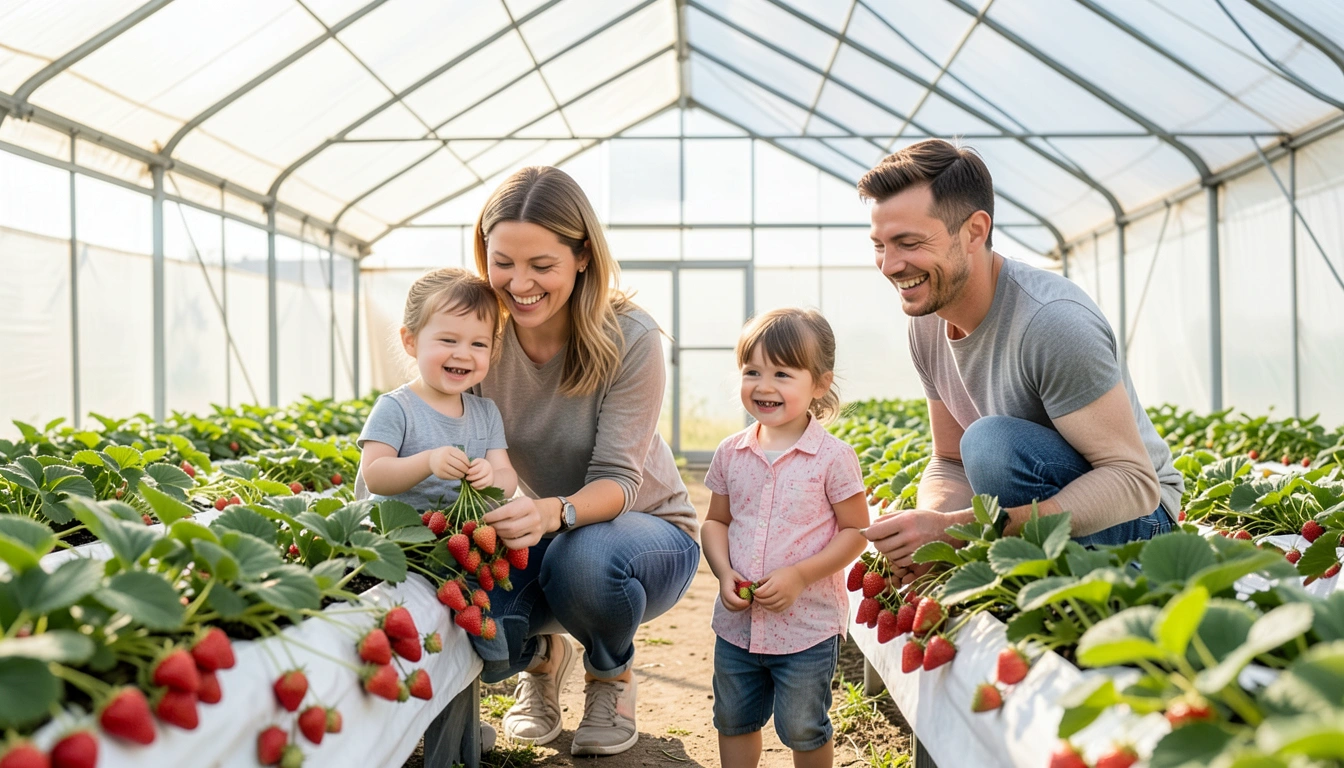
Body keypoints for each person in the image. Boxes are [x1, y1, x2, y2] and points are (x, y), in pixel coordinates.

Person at [439, 166, 701, 757]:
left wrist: (549, 512)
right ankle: (542, 657)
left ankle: (611, 676)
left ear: (582, 256)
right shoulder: (480, 333)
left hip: (643, 533)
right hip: (539, 526)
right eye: (502, 261)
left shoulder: (629, 336)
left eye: (541, 266)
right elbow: (439, 416)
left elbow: (618, 481)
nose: (518, 283)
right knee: (474, 607)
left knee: (586, 558)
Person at [858, 139, 1183, 584]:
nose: (890, 265)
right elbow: (950, 460)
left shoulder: (1051, 322)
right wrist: (928, 529)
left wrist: (961, 533)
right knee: (979, 448)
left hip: (1143, 525)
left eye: (908, 243)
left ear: (974, 231)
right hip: (1044, 517)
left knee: (991, 444)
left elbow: (1133, 482)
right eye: (879, 245)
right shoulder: (928, 320)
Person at [702, 308, 869, 768]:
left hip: (806, 629)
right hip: (736, 626)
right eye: (752, 371)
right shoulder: (731, 452)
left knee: (802, 725)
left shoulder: (833, 458)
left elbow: (855, 531)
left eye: (782, 372)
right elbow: (715, 521)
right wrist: (723, 573)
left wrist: (799, 575)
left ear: (819, 383)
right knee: (733, 718)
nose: (764, 385)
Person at [357, 267, 518, 512]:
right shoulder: (396, 407)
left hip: (458, 536)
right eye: (448, 340)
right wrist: (428, 461)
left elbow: (508, 478)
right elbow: (374, 475)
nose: (463, 354)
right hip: (398, 538)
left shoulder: (486, 413)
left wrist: (491, 477)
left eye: (478, 344)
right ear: (410, 341)